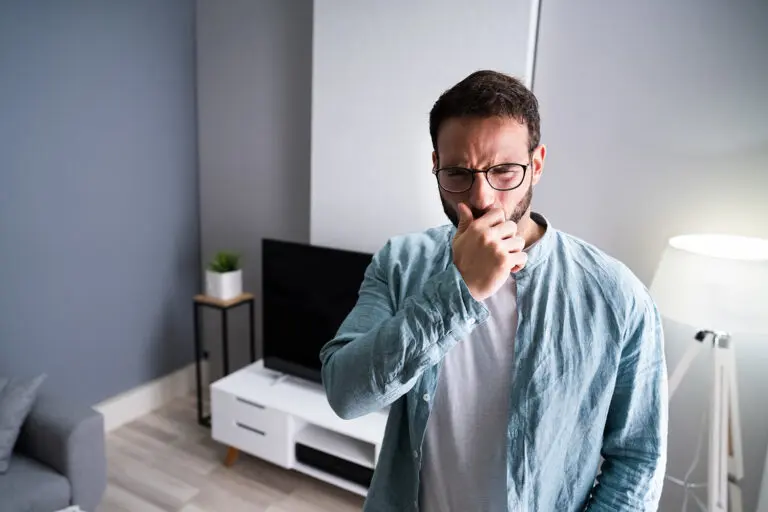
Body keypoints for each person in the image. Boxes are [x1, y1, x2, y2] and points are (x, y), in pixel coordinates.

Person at [319, 70, 668, 512]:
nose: (482, 197)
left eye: (504, 170)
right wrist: (459, 290)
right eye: (458, 173)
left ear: (537, 164)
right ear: (435, 166)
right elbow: (346, 395)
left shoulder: (617, 295)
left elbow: (638, 459)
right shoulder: (400, 261)